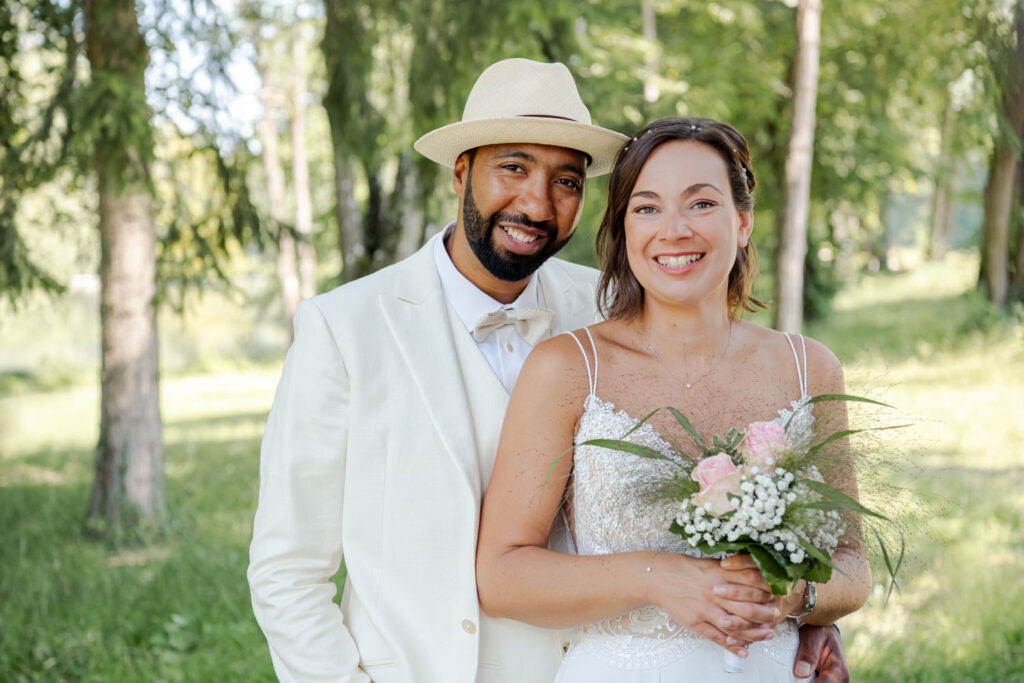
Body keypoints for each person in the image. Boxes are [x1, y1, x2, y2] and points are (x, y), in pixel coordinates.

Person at [248, 56, 849, 682]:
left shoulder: (616, 306)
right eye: (513, 167)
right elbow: (287, 570)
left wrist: (802, 612)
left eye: (566, 180)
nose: (537, 202)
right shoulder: (346, 328)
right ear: (462, 173)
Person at [476, 117, 870, 682]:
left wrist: (790, 595)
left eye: (701, 204)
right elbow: (502, 575)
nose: (674, 230)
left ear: (742, 222)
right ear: (624, 231)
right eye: (647, 208)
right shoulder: (567, 368)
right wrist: (657, 577)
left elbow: (853, 566)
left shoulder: (810, 368)